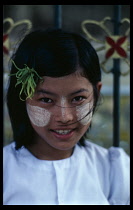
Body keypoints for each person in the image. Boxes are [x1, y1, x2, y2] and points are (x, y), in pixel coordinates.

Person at [3, 29, 130, 205]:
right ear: (23, 97)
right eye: (46, 99)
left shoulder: (116, 172)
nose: (65, 117)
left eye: (78, 98)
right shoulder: (6, 172)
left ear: (96, 94)